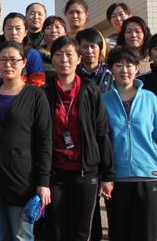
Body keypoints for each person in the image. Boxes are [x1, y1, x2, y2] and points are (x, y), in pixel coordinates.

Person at [0, 41, 52, 241]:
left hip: (22, 183)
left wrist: (43, 182)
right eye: (3, 60)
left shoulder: (36, 96)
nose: (8, 64)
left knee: (21, 237)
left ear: (24, 62)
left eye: (13, 60)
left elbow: (45, 141)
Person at [101, 47, 157, 241]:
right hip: (117, 180)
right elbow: (102, 142)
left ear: (137, 69)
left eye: (129, 65)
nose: (124, 70)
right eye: (118, 65)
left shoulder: (150, 99)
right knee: (119, 235)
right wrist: (104, 176)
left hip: (149, 177)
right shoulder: (103, 101)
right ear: (111, 69)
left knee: (147, 235)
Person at [43, 37, 114, 241]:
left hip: (85, 171)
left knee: (81, 232)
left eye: (69, 54)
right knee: (55, 230)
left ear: (79, 59)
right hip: (54, 172)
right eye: (58, 55)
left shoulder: (90, 91)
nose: (64, 59)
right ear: (52, 59)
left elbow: (102, 132)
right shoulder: (44, 92)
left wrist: (107, 174)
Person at [1, 12, 46, 86]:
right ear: (4, 32)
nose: (13, 32)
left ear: (25, 32)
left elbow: (38, 84)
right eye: (9, 28)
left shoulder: (32, 54)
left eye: (18, 28)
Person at [75, 28, 113, 94]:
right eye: (85, 47)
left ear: (100, 49)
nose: (89, 51)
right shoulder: (73, 74)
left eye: (93, 46)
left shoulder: (111, 74)